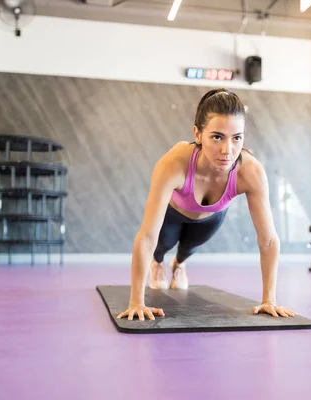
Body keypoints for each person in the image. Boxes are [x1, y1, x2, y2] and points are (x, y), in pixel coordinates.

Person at [117, 88, 296, 321]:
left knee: (188, 248)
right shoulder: (175, 162)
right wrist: (136, 302)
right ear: (198, 134)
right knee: (162, 244)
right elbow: (146, 235)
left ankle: (179, 265)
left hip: (210, 218)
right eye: (217, 137)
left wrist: (268, 300)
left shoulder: (250, 171)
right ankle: (159, 264)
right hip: (174, 213)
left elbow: (269, 239)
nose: (227, 150)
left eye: (237, 138)